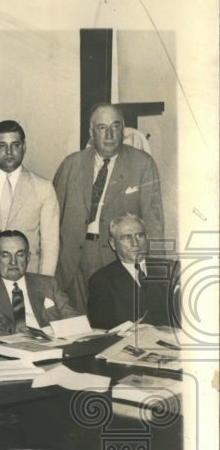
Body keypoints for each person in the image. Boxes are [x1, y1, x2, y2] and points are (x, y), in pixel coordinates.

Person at [53, 104, 165, 311]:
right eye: (102, 127)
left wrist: (156, 277)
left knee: (113, 324)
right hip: (74, 260)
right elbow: (53, 220)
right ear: (91, 132)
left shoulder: (142, 164)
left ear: (123, 129)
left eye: (115, 126)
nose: (110, 134)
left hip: (117, 258)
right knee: (77, 325)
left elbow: (154, 222)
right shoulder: (71, 165)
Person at [0, 120, 60, 279]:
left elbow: (50, 246)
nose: (9, 152)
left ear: (24, 147)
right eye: (2, 146)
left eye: (15, 145)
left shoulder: (43, 189)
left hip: (27, 278)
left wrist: (44, 286)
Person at [0, 230, 81, 337]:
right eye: (5, 255)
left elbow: (74, 320)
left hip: (53, 345)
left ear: (28, 258)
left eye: (20, 255)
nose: (13, 262)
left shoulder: (48, 284)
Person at [87, 214, 181, 329]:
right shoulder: (101, 280)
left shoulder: (171, 269)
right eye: (127, 237)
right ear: (112, 243)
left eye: (139, 236)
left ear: (147, 237)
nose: (135, 243)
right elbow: (103, 327)